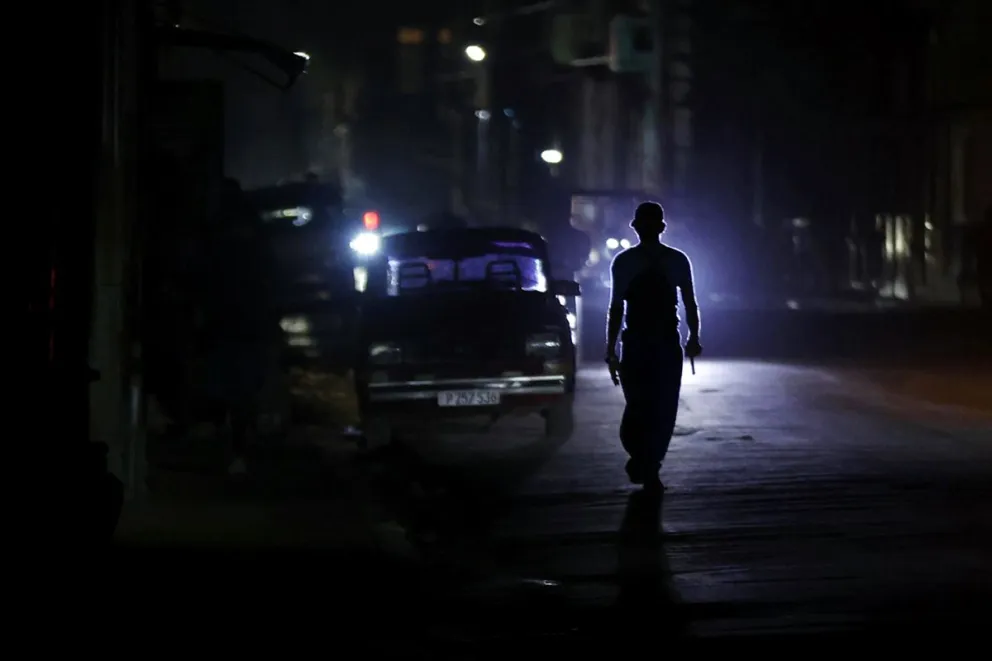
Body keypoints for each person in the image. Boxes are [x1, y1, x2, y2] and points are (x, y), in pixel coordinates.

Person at [605, 201, 702, 488]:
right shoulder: (677, 260)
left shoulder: (624, 262)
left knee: (641, 404)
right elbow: (689, 304)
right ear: (661, 228)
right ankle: (648, 461)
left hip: (638, 342)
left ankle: (645, 461)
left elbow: (616, 309)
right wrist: (693, 337)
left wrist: (611, 349)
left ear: (637, 228)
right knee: (660, 405)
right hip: (660, 342)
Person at [200, 178, 276, 475]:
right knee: (242, 390)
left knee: (230, 387)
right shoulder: (252, 236)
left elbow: (205, 277)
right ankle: (240, 445)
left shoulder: (217, 236)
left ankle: (234, 444)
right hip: (245, 324)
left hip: (228, 324)